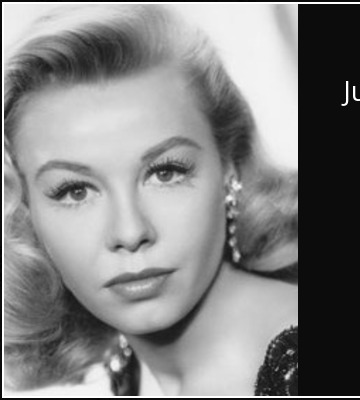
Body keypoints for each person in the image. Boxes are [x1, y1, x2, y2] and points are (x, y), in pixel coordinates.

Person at [3, 4, 298, 396]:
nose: (130, 232)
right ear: (27, 211)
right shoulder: (128, 369)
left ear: (229, 166)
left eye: (166, 173)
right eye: (75, 191)